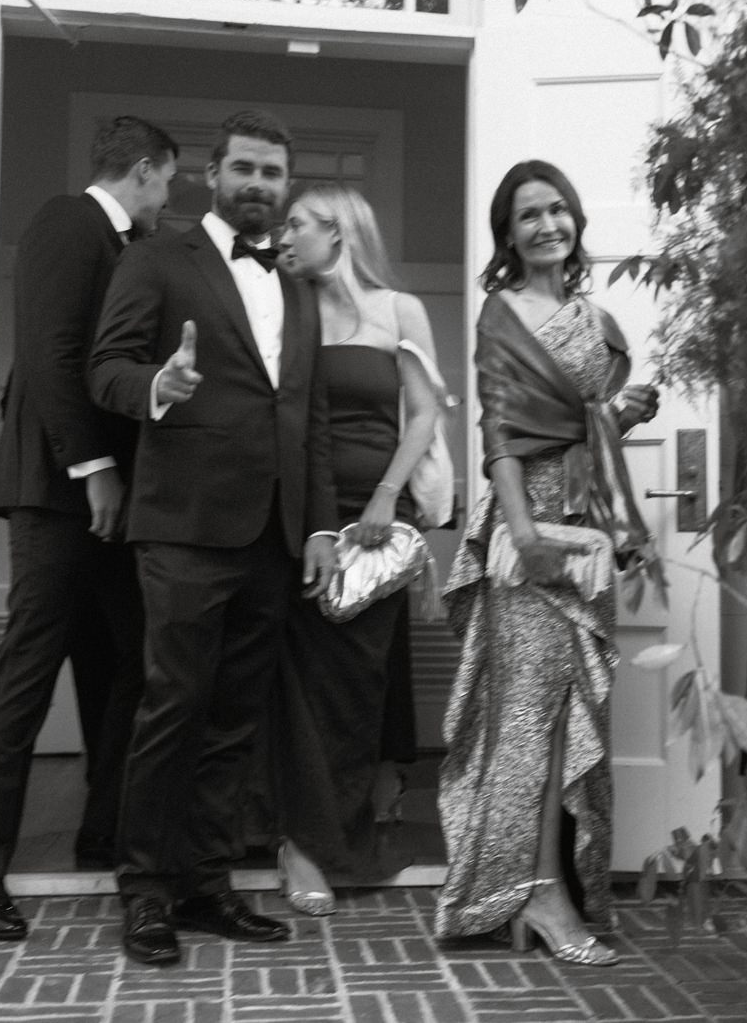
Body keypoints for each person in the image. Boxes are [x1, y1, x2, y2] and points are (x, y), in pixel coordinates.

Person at [88, 110, 339, 967]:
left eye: (273, 172)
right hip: (186, 527)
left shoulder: (299, 286)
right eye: (245, 168)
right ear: (212, 173)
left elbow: (310, 415)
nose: (259, 184)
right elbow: (105, 367)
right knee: (173, 708)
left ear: (286, 185)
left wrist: (320, 526)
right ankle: (145, 891)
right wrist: (157, 385)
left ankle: (205, 883)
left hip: (274, 532)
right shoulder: (159, 257)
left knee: (236, 719)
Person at [434, 160, 660, 967]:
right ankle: (533, 891)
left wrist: (616, 417)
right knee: (528, 716)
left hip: (586, 531)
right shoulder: (502, 313)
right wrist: (526, 532)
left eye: (557, 209)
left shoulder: (596, 320)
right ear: (507, 233)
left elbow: (578, 430)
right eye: (528, 214)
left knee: (571, 713)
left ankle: (548, 885)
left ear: (576, 221)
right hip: (529, 532)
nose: (546, 225)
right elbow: (499, 433)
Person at [0, 116, 179, 941]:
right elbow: (51, 355)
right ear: (145, 170)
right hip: (59, 493)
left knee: (128, 663)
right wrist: (94, 468)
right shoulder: (67, 220)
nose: (169, 198)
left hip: (112, 502)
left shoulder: (133, 246)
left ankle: (104, 830)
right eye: (169, 182)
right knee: (27, 672)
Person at [267, 183, 445, 915]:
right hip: (299, 517)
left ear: (338, 232)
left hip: (377, 521)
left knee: (358, 685)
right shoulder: (289, 310)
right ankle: (301, 844)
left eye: (297, 224)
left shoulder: (399, 310)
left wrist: (383, 497)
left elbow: (424, 412)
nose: (284, 236)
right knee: (300, 684)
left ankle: (342, 832)